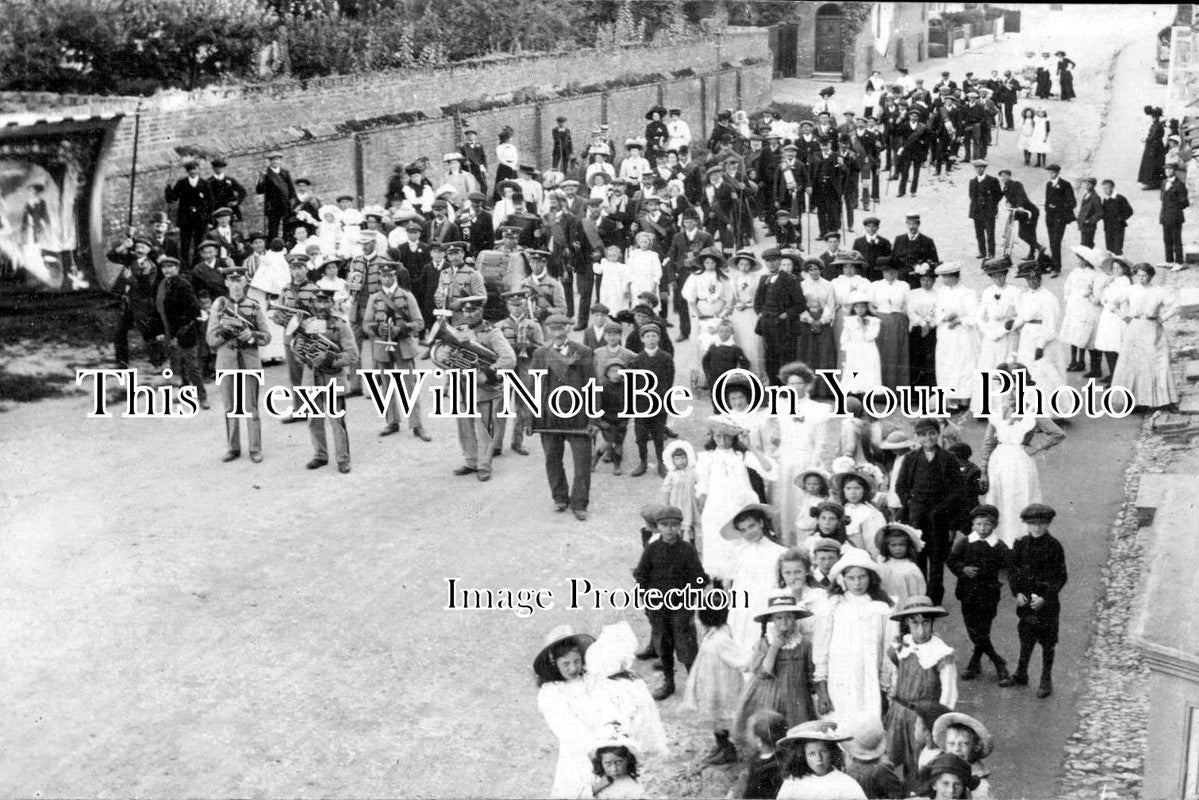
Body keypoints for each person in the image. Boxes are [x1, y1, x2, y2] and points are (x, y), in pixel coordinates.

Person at [813, 548, 896, 722]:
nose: (857, 583)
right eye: (851, 578)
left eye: (862, 577)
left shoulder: (882, 607)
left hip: (870, 679)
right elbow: (821, 647)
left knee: (868, 725)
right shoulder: (833, 605)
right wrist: (822, 690)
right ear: (842, 579)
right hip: (840, 677)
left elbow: (889, 647)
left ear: (870, 577)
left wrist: (884, 687)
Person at [631, 505, 702, 702]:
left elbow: (699, 578)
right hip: (658, 607)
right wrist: (648, 596)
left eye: (674, 525)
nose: (670, 529)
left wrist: (689, 600)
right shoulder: (652, 549)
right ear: (658, 527)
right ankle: (668, 682)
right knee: (663, 642)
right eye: (665, 525)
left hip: (681, 607)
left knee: (686, 644)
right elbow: (641, 573)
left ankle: (694, 684)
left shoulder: (687, 550)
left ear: (680, 527)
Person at [534, 626, 614, 798]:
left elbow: (608, 704)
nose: (572, 668)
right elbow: (568, 730)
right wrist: (598, 753)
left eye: (576, 661)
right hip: (579, 754)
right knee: (581, 791)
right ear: (554, 663)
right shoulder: (551, 692)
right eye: (566, 664)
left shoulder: (589, 679)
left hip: (606, 744)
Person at [885, 596, 958, 782]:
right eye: (915, 623)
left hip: (923, 717)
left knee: (921, 762)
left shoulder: (941, 652)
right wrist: (892, 694)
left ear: (932, 623)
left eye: (926, 623)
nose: (921, 629)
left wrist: (937, 724)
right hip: (899, 712)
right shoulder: (902, 644)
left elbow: (949, 694)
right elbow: (896, 672)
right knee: (893, 759)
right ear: (907, 623)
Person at [732, 590, 817, 748]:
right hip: (769, 695)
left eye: (789, 616)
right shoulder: (764, 643)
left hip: (796, 698)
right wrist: (775, 646)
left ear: (795, 618)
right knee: (770, 733)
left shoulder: (804, 645)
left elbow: (810, 674)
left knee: (796, 736)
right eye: (779, 617)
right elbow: (763, 673)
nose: (784, 622)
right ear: (772, 620)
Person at [447, 294, 517, 481]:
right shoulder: (458, 330)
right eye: (465, 311)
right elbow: (448, 355)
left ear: (481, 311)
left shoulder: (492, 332)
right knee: (464, 427)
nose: (468, 315)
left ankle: (484, 466)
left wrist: (488, 373)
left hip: (481, 388)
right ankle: (471, 461)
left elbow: (509, 358)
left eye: (472, 310)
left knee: (483, 429)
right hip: (461, 386)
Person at [205, 267, 271, 463]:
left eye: (239, 280)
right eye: (231, 280)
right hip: (226, 363)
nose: (235, 284)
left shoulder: (254, 305)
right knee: (230, 407)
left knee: (251, 406)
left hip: (249, 363)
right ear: (226, 283)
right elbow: (210, 339)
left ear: (245, 282)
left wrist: (252, 336)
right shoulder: (219, 306)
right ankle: (233, 448)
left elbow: (267, 336)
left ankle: (255, 448)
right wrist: (224, 332)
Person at [894, 418, 962, 606]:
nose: (928, 438)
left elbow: (957, 489)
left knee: (937, 557)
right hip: (917, 516)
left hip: (940, 517)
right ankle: (920, 597)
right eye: (923, 434)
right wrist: (910, 503)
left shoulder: (948, 458)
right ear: (917, 437)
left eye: (931, 433)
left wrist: (943, 509)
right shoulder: (911, 459)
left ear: (938, 434)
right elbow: (900, 486)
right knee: (918, 557)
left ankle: (935, 598)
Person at [1007, 503, 1069, 698]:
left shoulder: (1054, 546)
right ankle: (1021, 672)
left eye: (1041, 524)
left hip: (1047, 605)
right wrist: (1017, 593)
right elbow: (1013, 571)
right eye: (1032, 524)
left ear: (1048, 524)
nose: (1036, 528)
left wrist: (1045, 597)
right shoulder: (1020, 544)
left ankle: (1045, 678)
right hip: (1026, 604)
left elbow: (1060, 576)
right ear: (1026, 524)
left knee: (1047, 642)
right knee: (1026, 638)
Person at [362, 262, 429, 440]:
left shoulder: (407, 296)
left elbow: (419, 323)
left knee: (410, 385)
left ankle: (416, 424)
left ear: (396, 276)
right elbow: (366, 324)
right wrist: (377, 329)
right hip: (383, 346)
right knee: (386, 384)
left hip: (403, 345)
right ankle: (392, 421)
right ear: (380, 278)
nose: (388, 278)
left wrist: (402, 328)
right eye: (384, 276)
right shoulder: (374, 298)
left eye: (391, 275)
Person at [947, 505, 1012, 687]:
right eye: (978, 524)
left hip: (989, 594)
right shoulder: (965, 542)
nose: (982, 529)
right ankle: (997, 661)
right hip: (967, 593)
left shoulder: (998, 545)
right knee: (973, 630)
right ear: (973, 525)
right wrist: (963, 569)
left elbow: (1011, 563)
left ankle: (977, 663)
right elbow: (951, 560)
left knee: (982, 630)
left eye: (987, 525)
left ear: (994, 525)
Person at [295, 288, 357, 473]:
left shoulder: (341, 325)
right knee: (314, 420)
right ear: (313, 303)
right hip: (312, 378)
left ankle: (343, 459)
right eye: (318, 302)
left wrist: (328, 358)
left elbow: (352, 355)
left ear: (332, 303)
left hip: (332, 378)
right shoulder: (307, 324)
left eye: (326, 301)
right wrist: (301, 350)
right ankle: (320, 455)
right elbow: (299, 354)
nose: (322, 305)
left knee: (336, 421)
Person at [1111, 263, 1180, 410]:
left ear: (1151, 276)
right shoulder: (1130, 290)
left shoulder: (1159, 291)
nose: (1142, 278)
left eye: (1145, 275)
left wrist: (1162, 318)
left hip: (1153, 328)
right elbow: (1112, 304)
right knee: (1135, 365)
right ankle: (1135, 402)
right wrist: (1125, 318)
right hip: (1135, 328)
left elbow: (1176, 305)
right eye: (1139, 275)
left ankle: (1164, 401)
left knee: (1159, 362)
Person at [154, 255, 208, 410]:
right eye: (164, 267)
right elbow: (159, 309)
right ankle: (185, 394)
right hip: (170, 331)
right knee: (179, 365)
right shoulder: (163, 284)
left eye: (170, 267)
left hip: (186, 330)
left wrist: (181, 332)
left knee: (192, 366)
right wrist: (162, 330)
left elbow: (194, 310)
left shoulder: (183, 284)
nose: (167, 270)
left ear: (177, 268)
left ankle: (202, 396)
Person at [107, 233, 165, 370]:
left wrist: (130, 277)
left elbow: (145, 288)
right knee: (119, 332)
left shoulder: (151, 266)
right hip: (125, 302)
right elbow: (111, 256)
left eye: (143, 247)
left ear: (148, 250)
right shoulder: (129, 259)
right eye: (137, 246)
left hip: (141, 304)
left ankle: (158, 361)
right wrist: (123, 246)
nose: (139, 249)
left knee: (147, 333)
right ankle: (122, 364)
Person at [1012, 259, 1068, 394]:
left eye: (1036, 278)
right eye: (1029, 279)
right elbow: (1023, 316)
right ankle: (1033, 405)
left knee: (1046, 371)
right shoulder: (1024, 296)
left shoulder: (1048, 297)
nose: (1033, 282)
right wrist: (1013, 325)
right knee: (1029, 370)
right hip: (1028, 336)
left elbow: (1051, 323)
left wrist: (1041, 345)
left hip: (1042, 337)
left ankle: (1054, 408)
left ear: (1040, 277)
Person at [626, 322, 674, 479]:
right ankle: (643, 461)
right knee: (640, 435)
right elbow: (632, 383)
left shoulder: (666, 358)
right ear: (642, 339)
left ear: (659, 338)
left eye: (654, 336)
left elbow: (669, 380)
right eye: (647, 336)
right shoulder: (637, 360)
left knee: (659, 434)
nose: (651, 339)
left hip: (659, 403)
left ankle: (661, 462)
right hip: (641, 404)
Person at [775, 720, 868, 799]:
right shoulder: (793, 782)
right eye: (811, 754)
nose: (819, 759)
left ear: (831, 752)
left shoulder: (845, 784)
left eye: (823, 751)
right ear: (803, 756)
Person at [932, 264, 979, 414]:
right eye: (943, 277)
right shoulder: (942, 292)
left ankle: (964, 399)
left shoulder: (966, 293)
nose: (944, 280)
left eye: (947, 277)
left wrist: (959, 319)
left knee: (963, 365)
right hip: (946, 334)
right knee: (946, 365)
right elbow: (936, 310)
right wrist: (943, 317)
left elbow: (974, 315)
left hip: (961, 334)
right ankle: (951, 400)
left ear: (956, 277)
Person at [931, 712, 995, 799]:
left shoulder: (981, 788)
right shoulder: (939, 770)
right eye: (951, 743)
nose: (956, 749)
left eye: (964, 743)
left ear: (975, 746)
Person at [733, 710, 788, 798]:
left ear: (759, 740)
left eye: (748, 731)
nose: (746, 734)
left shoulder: (767, 770)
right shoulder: (759, 758)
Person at [876, 523, 926, 607]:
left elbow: (917, 592)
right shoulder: (882, 563)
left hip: (904, 605)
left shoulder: (911, 568)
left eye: (902, 545)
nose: (898, 548)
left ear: (908, 546)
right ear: (887, 546)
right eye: (893, 545)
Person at [255, 152, 297, 243]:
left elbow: (291, 189)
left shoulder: (285, 173)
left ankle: (287, 245)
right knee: (273, 229)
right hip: (273, 206)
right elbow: (259, 190)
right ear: (270, 161)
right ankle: (272, 247)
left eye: (277, 159)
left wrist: (292, 203)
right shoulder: (266, 174)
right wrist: (261, 179)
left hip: (285, 204)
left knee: (287, 227)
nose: (275, 162)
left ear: (280, 161)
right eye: (273, 160)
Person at [1043, 164, 1076, 275]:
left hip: (1060, 218)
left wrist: (1057, 207)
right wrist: (1048, 209)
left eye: (1052, 173)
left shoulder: (1065, 185)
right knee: (1052, 242)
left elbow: (1072, 203)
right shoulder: (1048, 184)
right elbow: (1047, 201)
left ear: (1058, 172)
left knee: (1056, 242)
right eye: (1049, 173)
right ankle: (1053, 265)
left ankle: (1057, 268)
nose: (1050, 175)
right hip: (1050, 218)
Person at [967, 160, 1003, 260]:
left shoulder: (992, 180)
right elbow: (971, 196)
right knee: (979, 233)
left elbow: (999, 195)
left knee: (990, 233)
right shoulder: (972, 181)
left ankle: (991, 253)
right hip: (977, 212)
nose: (979, 169)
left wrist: (991, 205)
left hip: (988, 212)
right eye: (977, 167)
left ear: (984, 168)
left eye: (981, 167)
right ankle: (982, 252)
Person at [1160, 164, 1189, 266]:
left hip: (1175, 217)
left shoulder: (1180, 185)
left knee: (1176, 240)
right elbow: (1162, 198)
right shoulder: (1164, 182)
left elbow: (1185, 203)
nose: (1167, 171)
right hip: (1165, 216)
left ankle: (1179, 262)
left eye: (1170, 169)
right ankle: (1169, 260)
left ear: (1174, 171)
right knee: (1167, 239)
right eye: (1166, 169)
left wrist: (1174, 204)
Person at [1099, 179, 1134, 255]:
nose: (1105, 190)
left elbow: (1129, 211)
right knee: (1109, 248)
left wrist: (1120, 218)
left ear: (1112, 187)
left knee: (1117, 248)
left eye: (1107, 188)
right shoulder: (1105, 199)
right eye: (1103, 188)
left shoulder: (1120, 198)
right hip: (1108, 227)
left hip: (1118, 227)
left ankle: (1119, 263)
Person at [1138, 106, 1166, 190]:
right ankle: (1154, 183)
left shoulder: (1157, 126)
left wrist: (1146, 139)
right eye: (1153, 117)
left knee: (1151, 165)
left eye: (1154, 117)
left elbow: (1153, 136)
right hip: (1155, 146)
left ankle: (1151, 183)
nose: (1153, 118)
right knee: (1153, 165)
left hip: (1154, 147)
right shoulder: (1157, 125)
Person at [1076, 177, 1103, 248]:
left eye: (1089, 184)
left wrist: (1090, 220)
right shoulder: (1086, 195)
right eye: (1086, 184)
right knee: (1084, 244)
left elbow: (1100, 213)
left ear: (1093, 185)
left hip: (1089, 227)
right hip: (1083, 225)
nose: (1087, 186)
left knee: (1086, 246)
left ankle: (1088, 259)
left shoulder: (1096, 197)